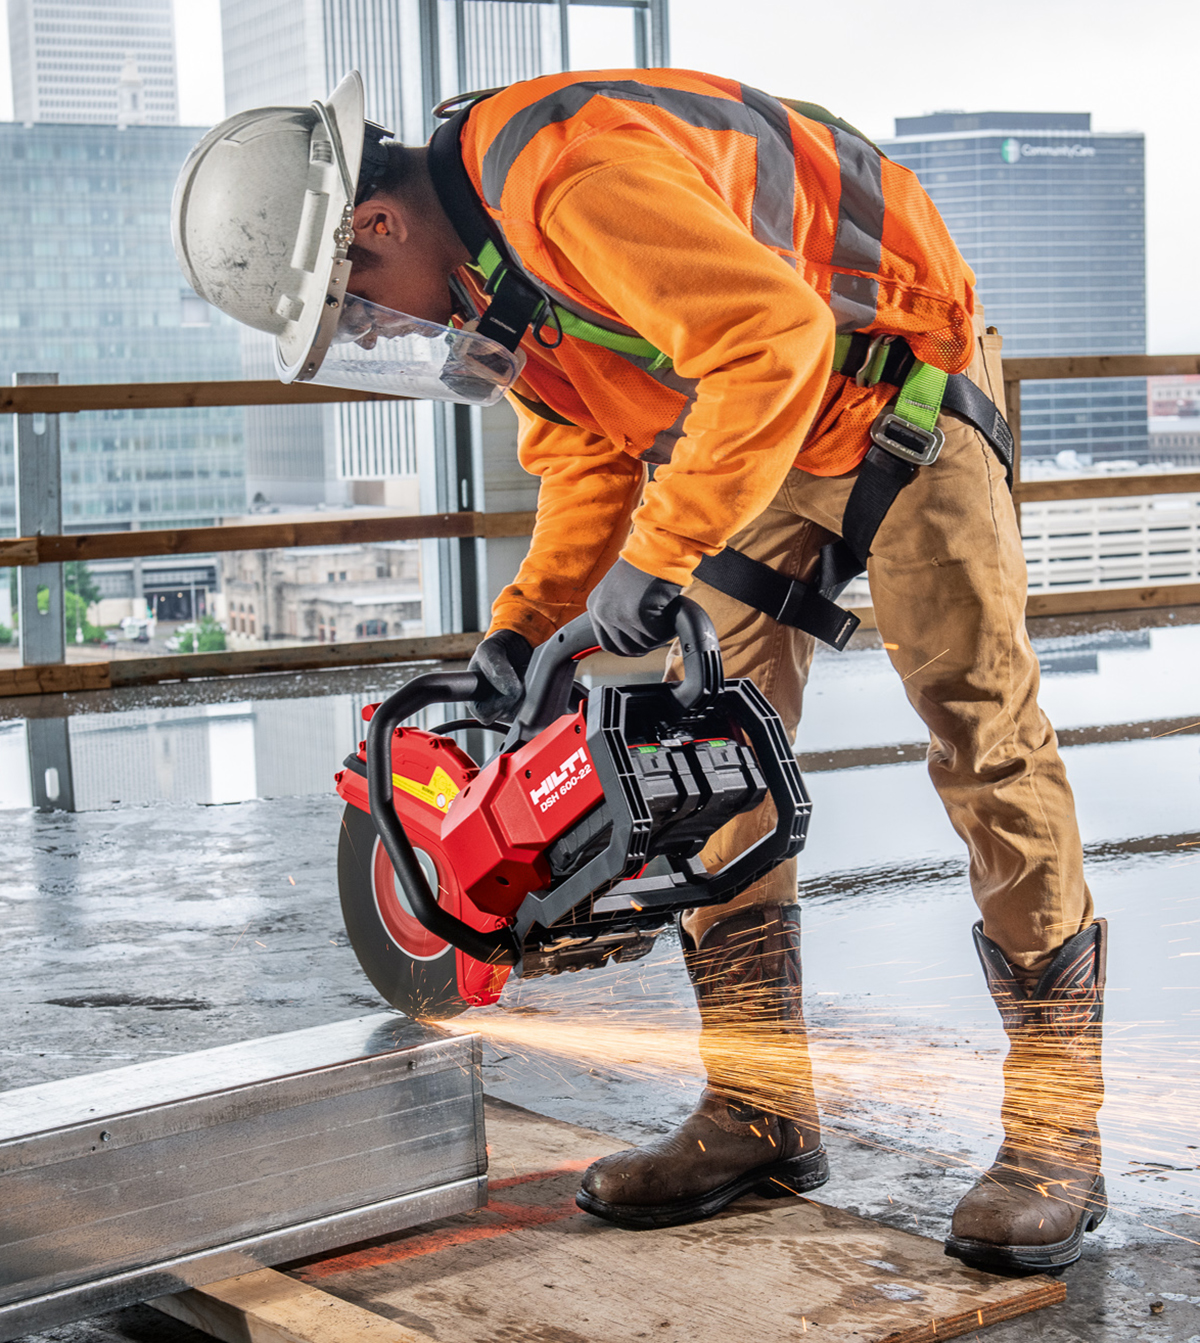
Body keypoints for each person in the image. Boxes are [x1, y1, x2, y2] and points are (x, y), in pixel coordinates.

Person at [172, 68, 1107, 1274]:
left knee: (982, 732)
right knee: (698, 745)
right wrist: (526, 625)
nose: (378, 335)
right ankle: (758, 1109)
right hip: (755, 434)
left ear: (379, 224)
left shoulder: (565, 180)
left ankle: (1057, 1139)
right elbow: (587, 453)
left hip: (898, 395)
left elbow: (779, 335)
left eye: (358, 311)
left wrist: (657, 560)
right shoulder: (494, 278)